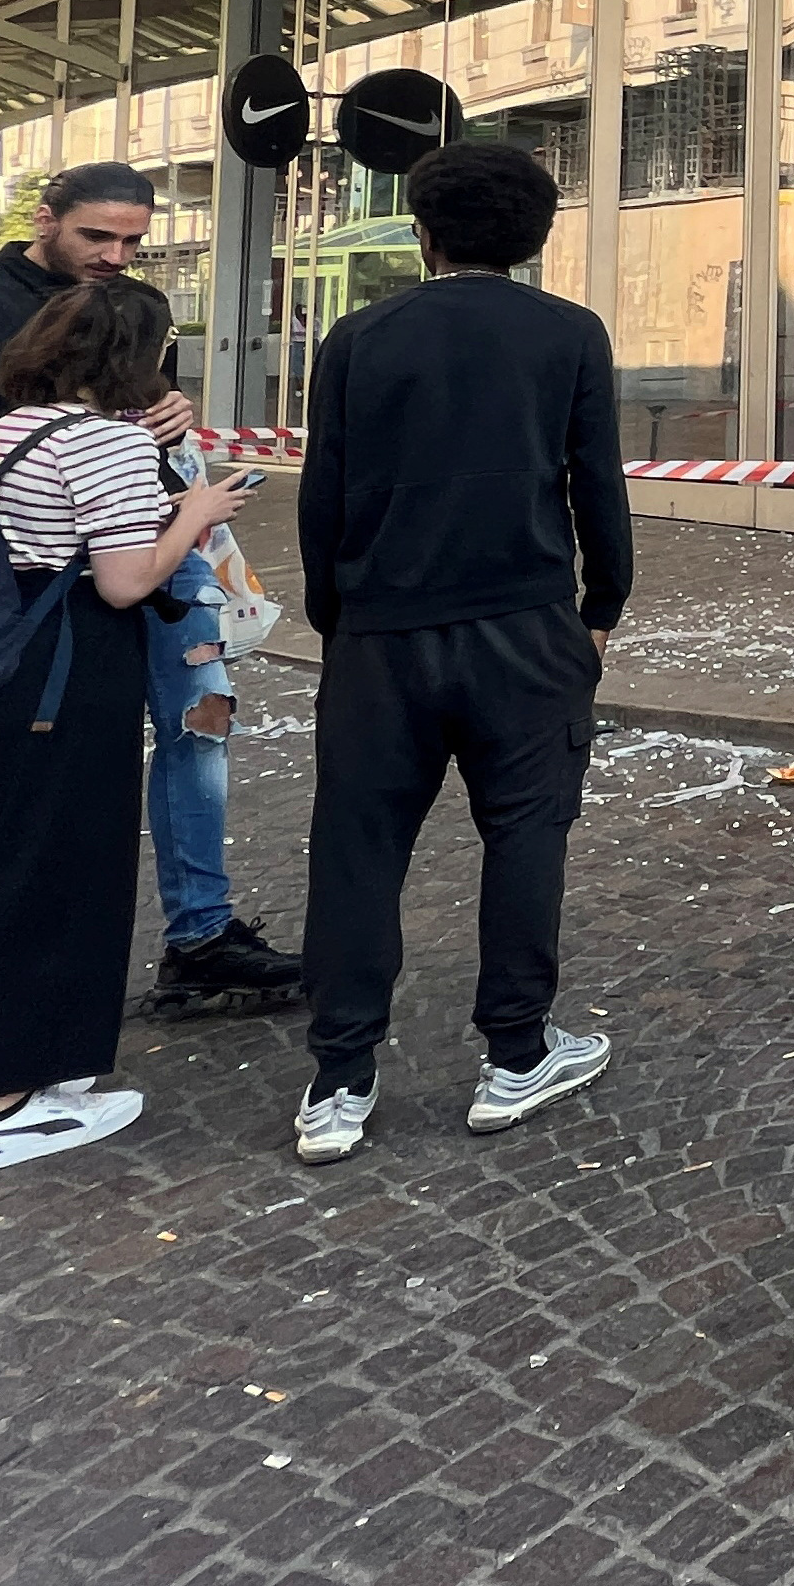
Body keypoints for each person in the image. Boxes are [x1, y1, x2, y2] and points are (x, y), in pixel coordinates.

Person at [0, 159, 304, 1019]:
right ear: (46, 218)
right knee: (42, 791)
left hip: (156, 558)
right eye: (97, 235)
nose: (115, 255)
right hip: (33, 597)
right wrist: (35, 480)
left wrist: (165, 414)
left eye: (133, 241)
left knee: (200, 731)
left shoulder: (132, 309)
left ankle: (200, 935)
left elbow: (128, 421)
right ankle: (11, 1009)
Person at [289, 143, 631, 1164]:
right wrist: (602, 606)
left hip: (380, 632)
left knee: (357, 847)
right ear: (535, 238)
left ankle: (340, 1076)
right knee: (527, 834)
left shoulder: (358, 338)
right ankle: (515, 1051)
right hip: (525, 623)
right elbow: (596, 482)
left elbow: (324, 490)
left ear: (421, 233)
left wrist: (333, 611)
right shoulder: (568, 333)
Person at [0, 278, 255, 1174]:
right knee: (52, 867)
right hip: (64, 667)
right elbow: (125, 581)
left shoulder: (7, 430)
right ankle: (3, 1100)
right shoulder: (108, 443)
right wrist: (196, 514)